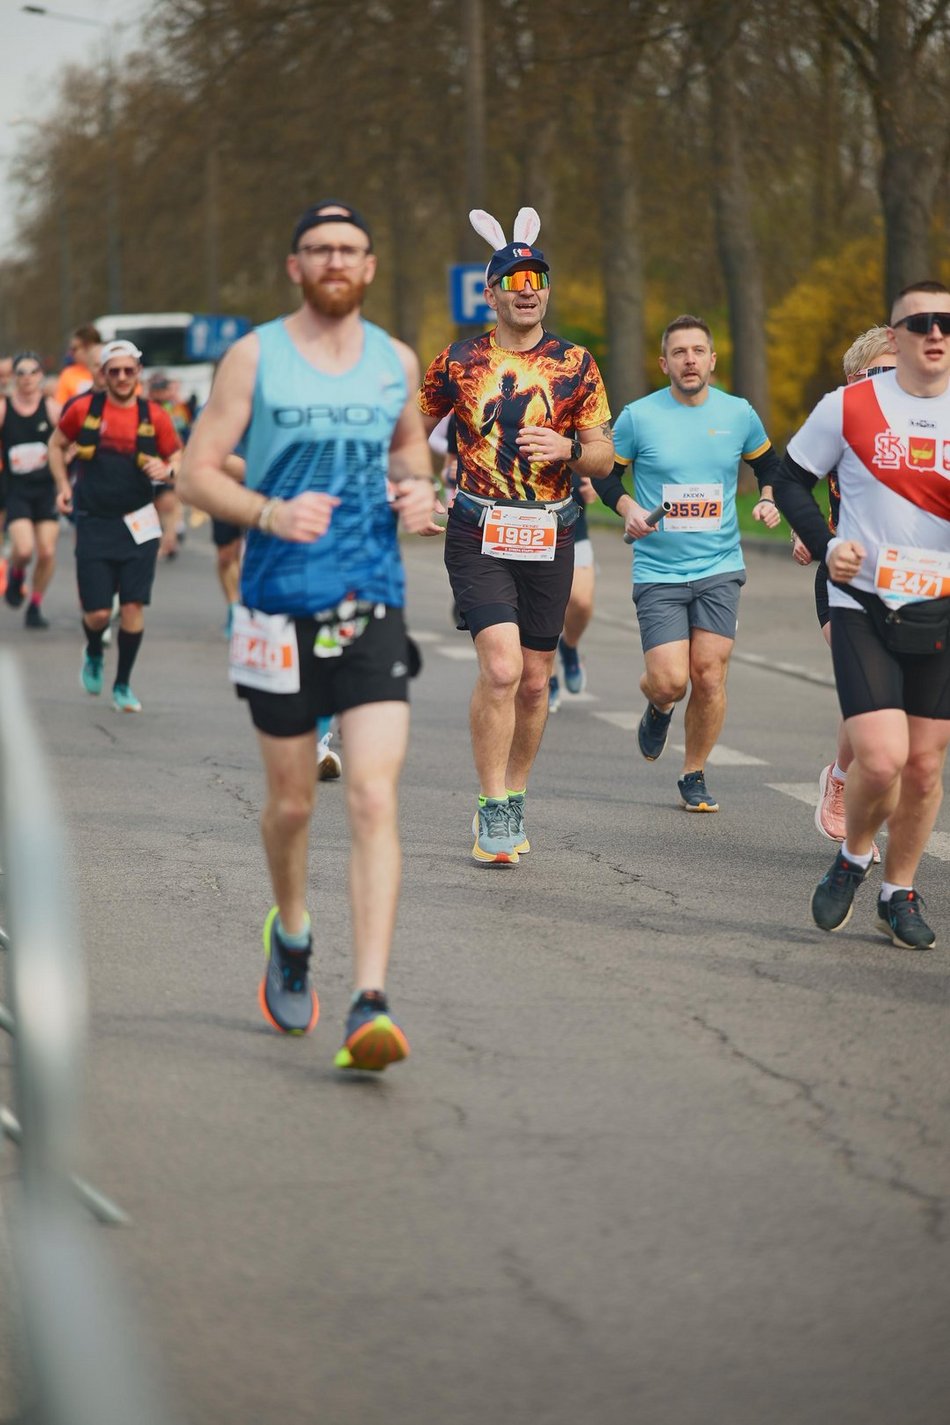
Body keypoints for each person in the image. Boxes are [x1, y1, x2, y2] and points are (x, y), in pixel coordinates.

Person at [178, 199, 435, 1070]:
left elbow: (410, 451)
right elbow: (195, 473)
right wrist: (267, 511)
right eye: (318, 248)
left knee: (369, 795)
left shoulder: (395, 360)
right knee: (294, 802)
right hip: (275, 601)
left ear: (369, 267)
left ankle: (370, 1000)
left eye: (349, 249)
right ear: (296, 267)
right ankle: (291, 929)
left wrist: (417, 492)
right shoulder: (256, 356)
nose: (334, 260)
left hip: (371, 597)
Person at [419, 207, 613, 864]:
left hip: (550, 534)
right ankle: (490, 802)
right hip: (478, 526)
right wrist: (416, 487)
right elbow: (410, 431)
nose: (527, 288)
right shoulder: (459, 361)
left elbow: (603, 455)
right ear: (492, 290)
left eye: (537, 278)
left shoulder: (575, 363)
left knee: (535, 681)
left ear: (546, 290)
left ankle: (517, 791)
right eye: (514, 278)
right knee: (500, 668)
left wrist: (567, 448)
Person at [774, 281, 950, 951]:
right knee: (881, 760)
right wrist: (825, 545)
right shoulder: (848, 406)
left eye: (946, 323)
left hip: (942, 607)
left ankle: (895, 889)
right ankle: (852, 854)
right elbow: (789, 478)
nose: (934, 333)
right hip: (864, 602)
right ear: (897, 334)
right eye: (919, 322)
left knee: (926, 769)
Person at [593, 314, 782, 812]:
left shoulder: (739, 413)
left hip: (720, 564)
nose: (690, 360)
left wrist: (768, 498)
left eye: (698, 351)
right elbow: (606, 477)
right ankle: (657, 704)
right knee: (670, 680)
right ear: (664, 363)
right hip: (658, 570)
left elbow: (769, 465)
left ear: (713, 360)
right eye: (679, 352)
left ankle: (693, 771)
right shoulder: (638, 416)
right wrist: (628, 508)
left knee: (709, 674)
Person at [790, 327, 896, 857]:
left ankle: (848, 780)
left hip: (912, 582)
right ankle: (842, 787)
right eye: (883, 370)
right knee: (872, 693)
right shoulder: (842, 420)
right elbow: (796, 480)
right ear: (856, 379)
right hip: (844, 576)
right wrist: (805, 531)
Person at [48, 339, 181, 712]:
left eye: (128, 370)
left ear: (138, 371)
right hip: (93, 520)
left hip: (139, 520)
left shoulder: (154, 416)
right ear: (103, 375)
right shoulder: (83, 410)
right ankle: (93, 651)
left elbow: (178, 456)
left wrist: (168, 470)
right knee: (99, 613)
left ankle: (123, 684)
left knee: (133, 607)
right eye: (114, 371)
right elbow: (56, 445)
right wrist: (62, 486)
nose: (122, 377)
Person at [0, 351, 61, 627]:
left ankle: (35, 605)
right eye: (21, 373)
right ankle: (16, 574)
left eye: (32, 372)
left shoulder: (51, 408)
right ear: (14, 377)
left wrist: (65, 460)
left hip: (47, 488)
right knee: (24, 550)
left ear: (41, 376)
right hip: (17, 489)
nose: (27, 378)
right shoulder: (4, 408)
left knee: (46, 552)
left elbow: (67, 442)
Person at [549, 473, 597, 711]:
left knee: (581, 602)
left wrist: (598, 485)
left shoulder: (580, 434)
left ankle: (569, 646)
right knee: (542, 610)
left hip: (574, 531)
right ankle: (547, 680)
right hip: (530, 534)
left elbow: (606, 462)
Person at [54, 324, 100, 406]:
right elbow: (60, 406)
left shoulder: (110, 370)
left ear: (89, 347)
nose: (70, 353)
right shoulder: (68, 374)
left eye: (74, 349)